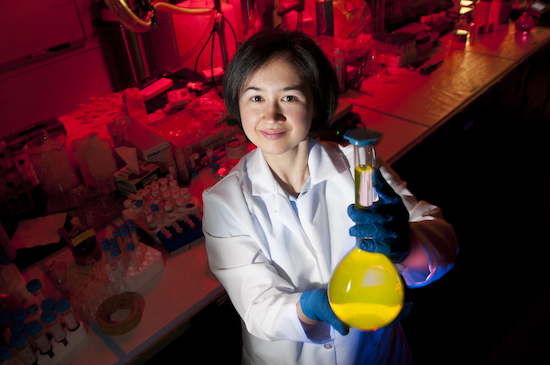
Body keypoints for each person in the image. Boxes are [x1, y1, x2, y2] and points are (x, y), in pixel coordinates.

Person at [202, 29, 459, 365]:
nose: (271, 115)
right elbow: (258, 307)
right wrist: (308, 308)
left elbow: (445, 245)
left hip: (375, 354)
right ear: (236, 101)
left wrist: (407, 245)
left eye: (290, 97)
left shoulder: (359, 166)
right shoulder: (225, 201)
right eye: (256, 97)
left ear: (317, 101)